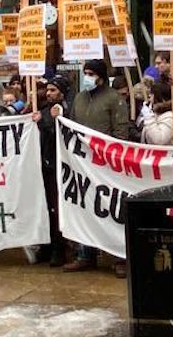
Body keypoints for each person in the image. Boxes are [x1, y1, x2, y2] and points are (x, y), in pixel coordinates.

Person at [64, 59, 130, 276]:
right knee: (84, 207)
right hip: (83, 164)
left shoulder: (114, 99)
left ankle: (120, 257)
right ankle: (85, 254)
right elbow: (71, 126)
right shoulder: (80, 98)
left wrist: (112, 157)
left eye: (91, 73)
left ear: (101, 76)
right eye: (85, 73)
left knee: (113, 209)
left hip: (108, 165)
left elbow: (121, 133)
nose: (87, 77)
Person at [35, 75, 71, 267]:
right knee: (45, 207)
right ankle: (46, 246)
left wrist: (55, 119)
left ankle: (60, 248)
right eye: (48, 90)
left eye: (53, 90)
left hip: (59, 165)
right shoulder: (42, 111)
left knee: (58, 209)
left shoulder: (67, 111)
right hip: (44, 165)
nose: (49, 94)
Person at [140, 81, 173, 146]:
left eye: (152, 95)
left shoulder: (171, 118)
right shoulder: (156, 113)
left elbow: (159, 140)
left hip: (165, 155)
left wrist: (148, 118)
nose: (149, 97)